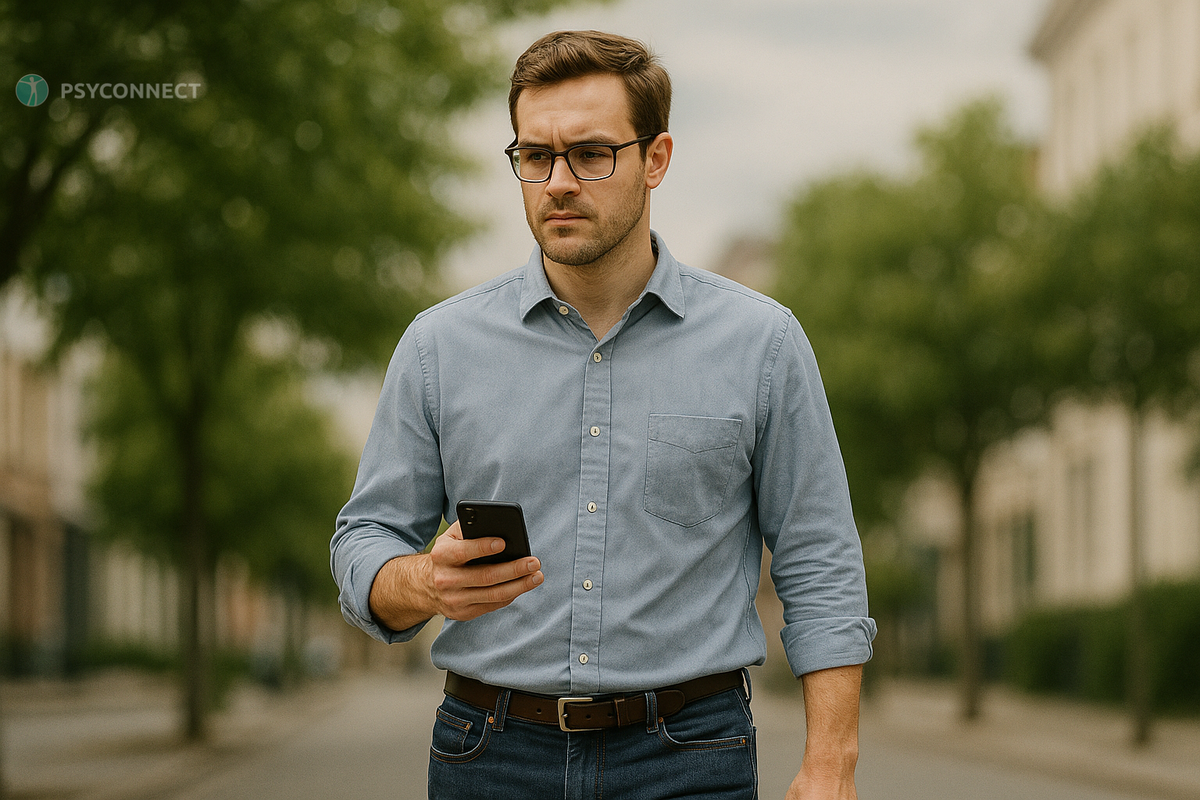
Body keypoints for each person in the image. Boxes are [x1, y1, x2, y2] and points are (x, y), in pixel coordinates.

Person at [332, 29, 876, 800]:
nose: (558, 182)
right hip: (490, 757)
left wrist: (831, 763)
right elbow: (364, 538)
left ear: (656, 158)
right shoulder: (438, 348)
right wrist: (422, 580)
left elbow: (819, 558)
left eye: (590, 154)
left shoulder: (762, 344)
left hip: (689, 757)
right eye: (535, 155)